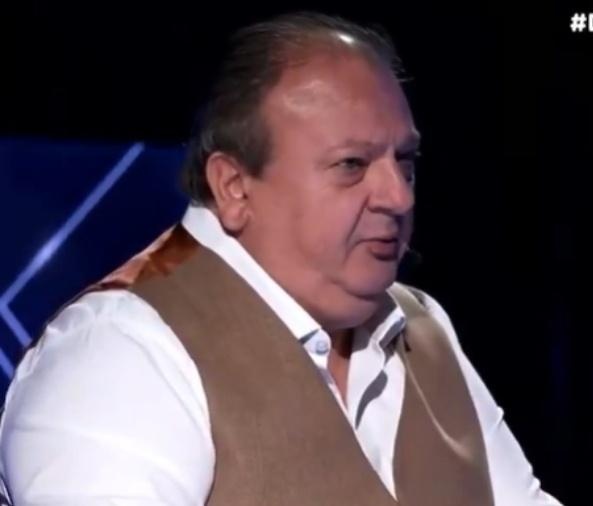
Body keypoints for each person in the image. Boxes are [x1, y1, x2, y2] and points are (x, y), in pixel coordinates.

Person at [0, 11, 562, 506]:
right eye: (352, 165)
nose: (399, 196)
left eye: (405, 161)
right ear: (234, 186)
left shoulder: (425, 328)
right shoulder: (118, 352)